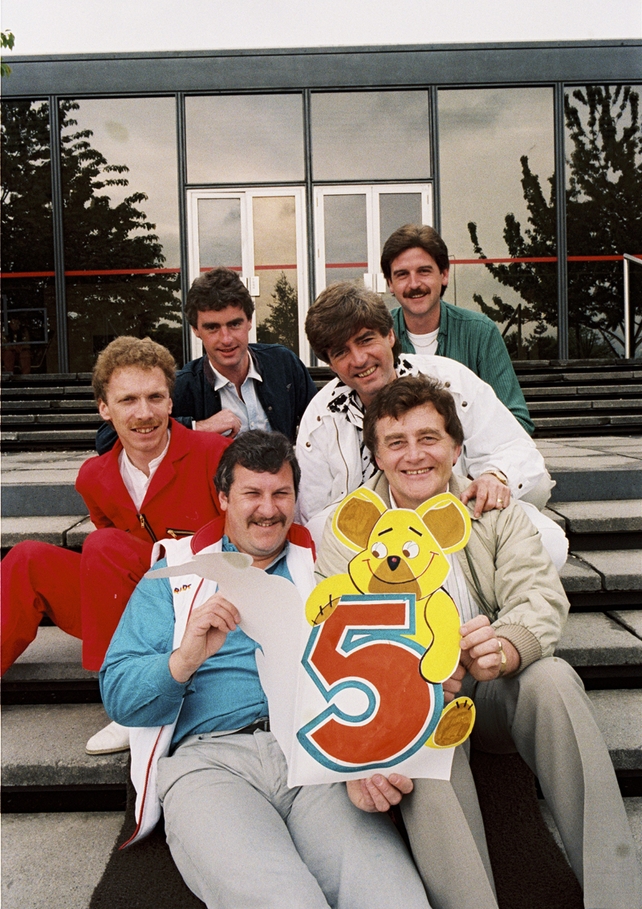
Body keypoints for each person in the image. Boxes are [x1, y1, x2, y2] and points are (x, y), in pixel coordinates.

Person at [315, 375, 641, 909]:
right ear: (376, 455)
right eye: (396, 442)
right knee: (419, 732)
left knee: (554, 678)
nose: (414, 455)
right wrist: (405, 686)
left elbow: (538, 594)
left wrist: (506, 648)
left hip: (492, 689)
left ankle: (618, 896)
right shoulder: (351, 528)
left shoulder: (493, 510)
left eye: (429, 438)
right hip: (413, 699)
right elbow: (336, 634)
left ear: (456, 447)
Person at [100, 431, 432, 909]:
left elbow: (381, 665)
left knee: (391, 896)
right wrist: (185, 658)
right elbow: (121, 696)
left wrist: (363, 759)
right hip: (211, 761)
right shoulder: (176, 572)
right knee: (281, 900)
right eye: (252, 493)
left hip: (314, 757)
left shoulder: (329, 565)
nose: (268, 509)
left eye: (281, 493)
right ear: (222, 498)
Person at [1, 336, 230, 753]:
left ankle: (127, 698)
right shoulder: (93, 476)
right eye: (128, 400)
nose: (144, 413)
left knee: (104, 543)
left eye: (155, 397)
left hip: (199, 604)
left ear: (170, 402)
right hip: (135, 604)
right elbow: (115, 561)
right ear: (104, 409)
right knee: (27, 558)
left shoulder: (216, 454)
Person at [297, 282, 566, 567]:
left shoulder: (451, 382)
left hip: (459, 520)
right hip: (374, 542)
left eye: (365, 340)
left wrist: (495, 477)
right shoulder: (320, 418)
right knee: (316, 535)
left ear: (390, 335)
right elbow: (314, 511)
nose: (359, 359)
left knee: (548, 542)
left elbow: (517, 449)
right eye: (341, 352)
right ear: (331, 364)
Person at [95, 267, 317, 454]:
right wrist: (197, 427)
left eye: (234, 324)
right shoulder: (184, 384)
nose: (226, 338)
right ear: (195, 330)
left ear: (249, 321)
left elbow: (320, 422)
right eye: (212, 327)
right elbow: (106, 440)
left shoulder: (282, 363)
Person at [381, 224, 533, 434]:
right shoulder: (378, 336)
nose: (414, 284)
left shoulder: (480, 332)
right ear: (390, 283)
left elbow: (516, 421)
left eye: (424, 271)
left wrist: (457, 448)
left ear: (444, 274)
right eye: (402, 274)